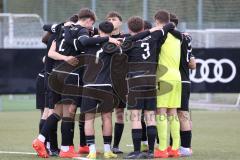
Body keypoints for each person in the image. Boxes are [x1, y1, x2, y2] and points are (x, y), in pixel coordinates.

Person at [123, 16, 175, 159]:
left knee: (135, 117)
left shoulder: (128, 42)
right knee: (150, 117)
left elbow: (123, 49)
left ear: (129, 29)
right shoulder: (154, 36)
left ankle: (137, 152)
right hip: (151, 81)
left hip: (135, 81)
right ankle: (151, 151)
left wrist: (148, 31)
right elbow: (170, 25)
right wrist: (154, 30)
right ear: (143, 27)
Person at [80, 21, 120, 159]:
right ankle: (108, 150)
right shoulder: (113, 45)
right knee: (107, 118)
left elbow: (84, 42)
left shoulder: (89, 42)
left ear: (99, 30)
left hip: (89, 86)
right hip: (105, 86)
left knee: (89, 119)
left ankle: (92, 150)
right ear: (112, 31)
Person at [154, 10, 182, 158]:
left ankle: (163, 149)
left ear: (158, 21)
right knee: (173, 113)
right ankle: (175, 149)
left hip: (163, 77)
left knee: (161, 112)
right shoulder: (178, 37)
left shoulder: (160, 34)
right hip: (176, 77)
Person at [168, 13, 196, 157]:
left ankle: (175, 147)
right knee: (182, 114)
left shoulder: (169, 37)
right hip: (185, 79)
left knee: (169, 114)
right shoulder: (186, 37)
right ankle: (185, 147)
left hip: (172, 79)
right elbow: (193, 64)